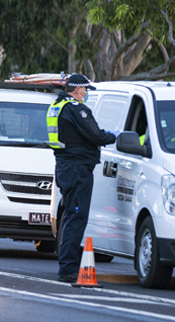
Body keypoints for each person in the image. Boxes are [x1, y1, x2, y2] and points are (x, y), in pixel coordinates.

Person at [47, 74, 116, 283]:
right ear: (78, 89)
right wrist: (115, 135)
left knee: (70, 216)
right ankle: (68, 268)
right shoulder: (77, 109)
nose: (86, 94)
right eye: (85, 90)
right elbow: (96, 136)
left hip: (65, 167)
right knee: (77, 218)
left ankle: (67, 264)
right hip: (78, 170)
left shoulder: (56, 106)